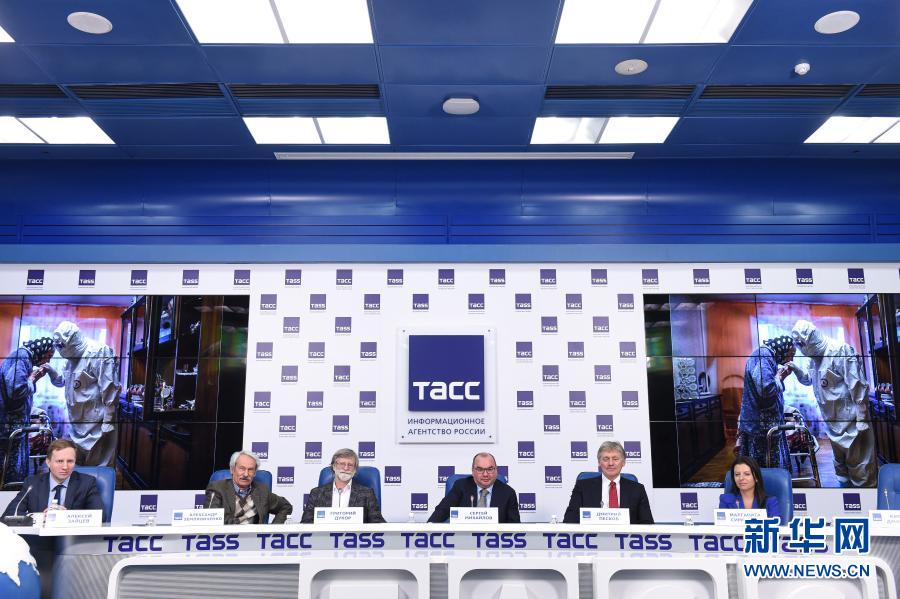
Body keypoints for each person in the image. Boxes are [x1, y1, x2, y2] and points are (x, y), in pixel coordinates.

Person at [790, 320, 877, 487]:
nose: (800, 347)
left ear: (812, 337)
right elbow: (809, 380)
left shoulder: (839, 350)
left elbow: (857, 385)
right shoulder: (813, 358)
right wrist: (796, 369)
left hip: (852, 424)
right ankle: (847, 499)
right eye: (798, 344)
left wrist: (862, 418)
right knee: (841, 469)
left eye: (802, 343)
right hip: (833, 424)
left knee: (861, 469)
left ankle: (866, 500)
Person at [48, 321, 121, 467]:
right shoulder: (69, 359)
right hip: (77, 424)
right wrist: (51, 372)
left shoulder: (98, 352)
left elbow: (110, 388)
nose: (60, 349)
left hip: (98, 426)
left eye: (62, 345)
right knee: (79, 469)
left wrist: (108, 420)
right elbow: (64, 381)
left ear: (73, 340)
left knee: (98, 470)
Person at [0, 337, 54, 487]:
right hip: (9, 423)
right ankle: (9, 492)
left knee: (14, 464)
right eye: (48, 355)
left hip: (15, 422)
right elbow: (16, 391)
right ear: (41, 350)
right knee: (10, 464)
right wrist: (34, 378)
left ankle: (14, 489)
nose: (48, 360)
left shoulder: (26, 359)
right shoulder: (21, 357)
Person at [736, 335, 795, 471]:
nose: (791, 359)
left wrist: (779, 377)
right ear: (783, 349)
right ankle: (767, 484)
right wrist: (780, 376)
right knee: (765, 465)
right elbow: (765, 389)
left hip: (763, 422)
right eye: (791, 354)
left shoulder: (767, 356)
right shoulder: (763, 356)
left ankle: (767, 483)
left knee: (763, 463)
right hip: (762, 425)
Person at [2, 439, 102, 518]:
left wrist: (67, 516)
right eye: (59, 461)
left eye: (70, 461)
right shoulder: (32, 483)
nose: (65, 467)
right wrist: (41, 517)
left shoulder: (87, 483)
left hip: (71, 537)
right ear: (48, 462)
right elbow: (9, 515)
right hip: (39, 536)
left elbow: (101, 516)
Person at [563, 441, 654, 524]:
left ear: (623, 462)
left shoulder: (637, 489)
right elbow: (569, 520)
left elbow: (647, 523)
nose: (610, 463)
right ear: (599, 462)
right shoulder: (582, 487)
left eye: (615, 459)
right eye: (606, 459)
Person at [428, 452, 520, 523]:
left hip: (495, 540)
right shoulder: (461, 486)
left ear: (496, 470)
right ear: (473, 471)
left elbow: (515, 526)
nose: (485, 474)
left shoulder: (508, 493)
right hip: (464, 538)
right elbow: (442, 511)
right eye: (480, 469)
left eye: (490, 469)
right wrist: (428, 529)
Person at [205, 450, 292, 524]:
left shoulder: (262, 491)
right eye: (242, 468)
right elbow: (209, 520)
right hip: (226, 536)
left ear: (254, 473)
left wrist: (273, 530)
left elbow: (286, 506)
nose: (246, 474)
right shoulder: (217, 489)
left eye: (250, 470)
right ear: (232, 470)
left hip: (253, 537)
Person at [301, 448, 385, 523]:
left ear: (355, 470)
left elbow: (378, 523)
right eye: (342, 464)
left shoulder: (367, 493)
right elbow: (306, 523)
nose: (346, 468)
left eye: (350, 465)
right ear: (334, 466)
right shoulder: (316, 493)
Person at [718, 456, 780, 520]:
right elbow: (721, 524)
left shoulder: (771, 502)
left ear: (756, 478)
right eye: (737, 474)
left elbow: (775, 524)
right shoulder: (725, 500)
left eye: (747, 474)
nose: (741, 478)